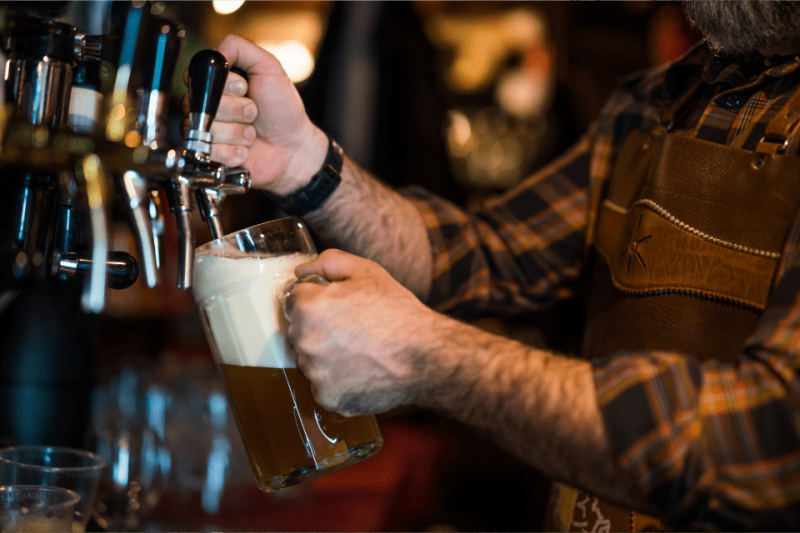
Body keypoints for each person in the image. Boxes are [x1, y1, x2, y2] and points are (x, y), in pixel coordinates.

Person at [194, 1, 800, 529]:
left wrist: (429, 357)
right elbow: (482, 253)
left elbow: (769, 443)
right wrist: (303, 160)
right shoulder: (660, 99)